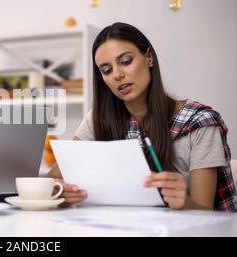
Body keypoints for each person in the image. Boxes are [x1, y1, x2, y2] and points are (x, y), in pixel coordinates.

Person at [48, 22, 237, 211]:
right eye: (106, 70)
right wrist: (60, 191)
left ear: (149, 58)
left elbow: (205, 214)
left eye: (126, 61)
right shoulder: (99, 118)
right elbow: (50, 180)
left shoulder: (200, 122)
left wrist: (183, 203)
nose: (117, 75)